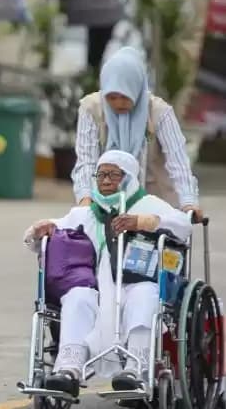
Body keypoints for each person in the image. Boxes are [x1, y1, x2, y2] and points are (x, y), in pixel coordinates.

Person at [24, 150, 192, 396]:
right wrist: (39, 230)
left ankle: (136, 368)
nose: (105, 181)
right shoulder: (85, 214)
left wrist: (143, 222)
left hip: (136, 283)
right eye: (101, 175)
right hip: (96, 289)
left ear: (129, 178)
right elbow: (42, 235)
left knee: (145, 294)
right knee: (77, 296)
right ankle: (68, 369)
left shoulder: (149, 205)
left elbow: (183, 226)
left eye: (114, 175)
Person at [71, 46, 203, 221]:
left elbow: (178, 162)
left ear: (137, 89)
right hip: (104, 203)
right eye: (111, 97)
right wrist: (85, 200)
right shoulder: (91, 108)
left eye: (125, 96)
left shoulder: (159, 112)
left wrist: (189, 202)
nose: (118, 103)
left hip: (154, 207)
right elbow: (86, 161)